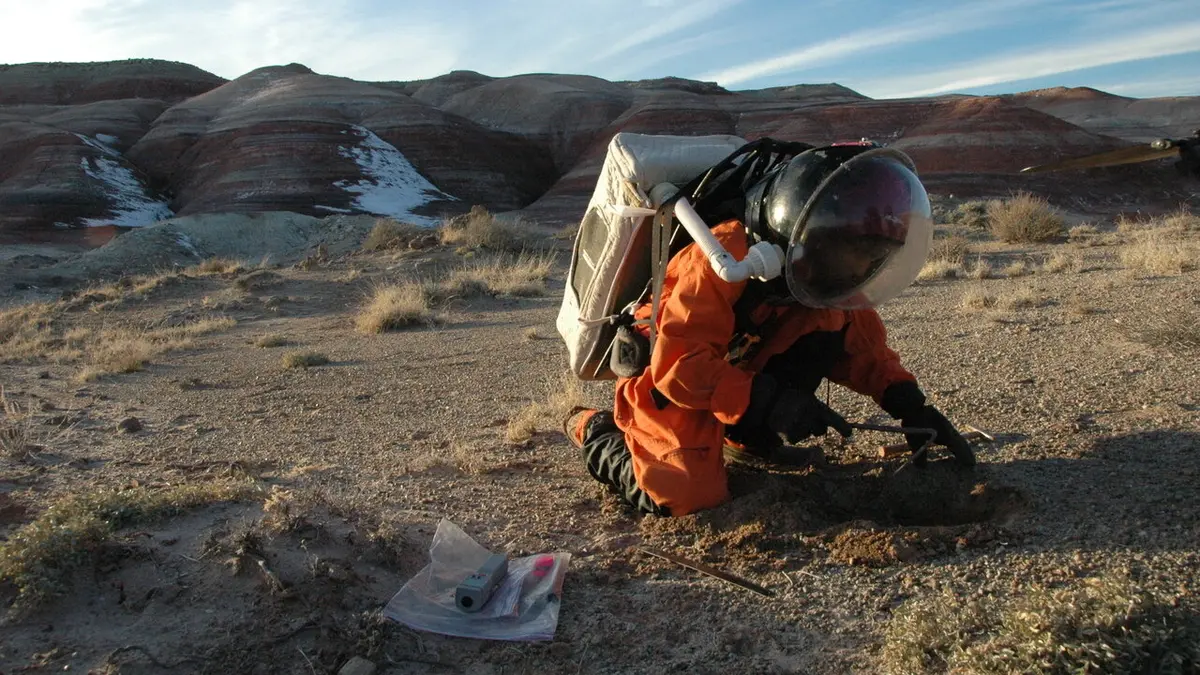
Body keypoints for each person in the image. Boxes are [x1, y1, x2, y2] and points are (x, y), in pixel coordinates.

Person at [566, 142, 975, 517]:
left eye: (871, 258)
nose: (861, 268)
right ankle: (595, 429)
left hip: (732, 359)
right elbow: (679, 367)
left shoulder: (828, 271)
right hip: (669, 371)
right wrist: (771, 403)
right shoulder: (720, 258)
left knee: (824, 329)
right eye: (860, 254)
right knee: (683, 495)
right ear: (825, 233)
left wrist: (910, 405)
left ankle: (745, 440)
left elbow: (861, 346)